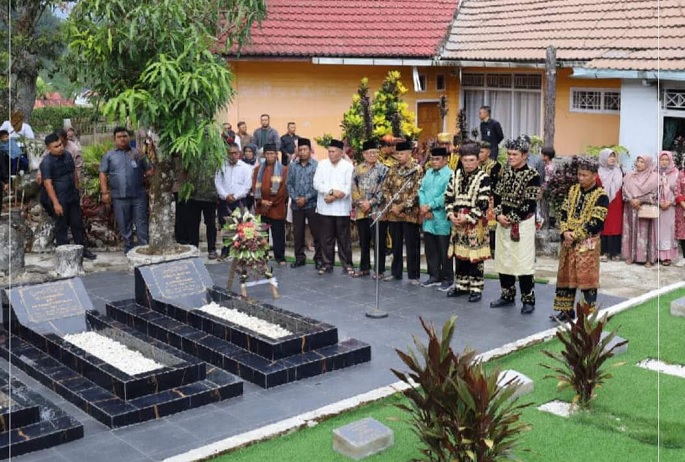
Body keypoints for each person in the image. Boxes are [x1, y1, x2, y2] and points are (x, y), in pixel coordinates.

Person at [550, 157, 609, 322]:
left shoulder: (601, 196)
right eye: (579, 174)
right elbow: (563, 211)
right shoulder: (573, 190)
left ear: (594, 175)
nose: (580, 178)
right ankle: (566, 311)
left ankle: (588, 314)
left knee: (587, 279)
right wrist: (565, 232)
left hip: (587, 243)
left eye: (584, 175)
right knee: (566, 276)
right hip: (568, 240)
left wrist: (574, 235)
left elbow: (596, 222)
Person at [490, 135, 541, 314]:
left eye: (514, 154)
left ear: (525, 155)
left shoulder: (533, 175)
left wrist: (510, 218)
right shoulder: (504, 172)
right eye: (509, 154)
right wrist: (498, 215)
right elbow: (496, 195)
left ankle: (528, 299)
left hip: (523, 225)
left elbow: (530, 203)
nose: (510, 157)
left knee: (523, 262)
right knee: (504, 259)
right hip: (503, 222)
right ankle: (507, 295)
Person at [444, 144, 491, 302]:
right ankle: (461, 285)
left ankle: (476, 288)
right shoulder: (455, 175)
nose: (469, 163)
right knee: (460, 255)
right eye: (465, 160)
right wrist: (451, 215)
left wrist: (468, 217)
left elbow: (483, 203)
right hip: (457, 221)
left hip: (474, 223)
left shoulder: (483, 178)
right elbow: (448, 197)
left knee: (475, 257)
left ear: (478, 160)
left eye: (472, 160)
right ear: (461, 160)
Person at [41, 133, 96, 260]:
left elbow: (73, 172)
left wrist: (77, 189)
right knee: (61, 227)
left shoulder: (67, 155)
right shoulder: (47, 163)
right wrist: (55, 203)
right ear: (49, 149)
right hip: (59, 199)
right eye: (56, 147)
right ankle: (64, 256)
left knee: (77, 224)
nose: (60, 147)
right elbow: (48, 184)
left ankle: (82, 251)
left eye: (60, 144)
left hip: (72, 196)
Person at [99, 127, 152, 253]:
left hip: (138, 195)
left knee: (141, 223)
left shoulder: (138, 153)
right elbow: (102, 173)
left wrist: (148, 157)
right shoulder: (109, 155)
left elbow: (150, 171)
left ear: (129, 138)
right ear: (114, 139)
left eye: (125, 136)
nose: (123, 139)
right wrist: (105, 192)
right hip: (119, 196)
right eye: (119, 137)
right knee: (124, 224)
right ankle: (128, 249)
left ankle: (143, 249)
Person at [381, 141, 423, 284]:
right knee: (396, 245)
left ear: (410, 153)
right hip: (393, 214)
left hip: (409, 214)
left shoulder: (417, 169)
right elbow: (385, 188)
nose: (399, 156)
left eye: (402, 153)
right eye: (397, 154)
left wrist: (402, 207)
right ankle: (396, 272)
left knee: (412, 245)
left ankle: (414, 275)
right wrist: (393, 206)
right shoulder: (392, 169)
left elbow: (417, 192)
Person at [313, 139, 354, 275]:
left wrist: (334, 196)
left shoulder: (348, 166)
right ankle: (327, 264)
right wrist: (331, 192)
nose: (330, 154)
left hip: (341, 209)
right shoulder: (322, 164)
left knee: (343, 239)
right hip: (325, 208)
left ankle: (347, 264)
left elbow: (348, 188)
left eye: (333, 151)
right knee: (326, 238)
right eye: (329, 151)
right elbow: (317, 183)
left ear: (341, 153)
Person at [351, 140, 388, 278]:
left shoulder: (383, 169)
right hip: (361, 211)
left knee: (378, 242)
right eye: (369, 152)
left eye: (375, 152)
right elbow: (353, 188)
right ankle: (364, 268)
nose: (372, 155)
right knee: (364, 241)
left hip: (377, 211)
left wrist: (370, 203)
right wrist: (361, 202)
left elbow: (384, 190)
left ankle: (380, 270)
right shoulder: (357, 169)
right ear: (364, 154)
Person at [419, 147, 454, 289]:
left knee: (444, 249)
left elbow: (447, 195)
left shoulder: (450, 174)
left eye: (437, 159)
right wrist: (423, 207)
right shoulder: (428, 173)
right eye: (432, 159)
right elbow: (421, 190)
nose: (434, 162)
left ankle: (447, 278)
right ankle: (434, 276)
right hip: (428, 218)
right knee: (430, 249)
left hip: (442, 217)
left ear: (445, 160)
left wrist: (430, 206)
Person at [286, 138, 322, 269]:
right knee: (298, 234)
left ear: (310, 150)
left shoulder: (316, 166)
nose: (302, 152)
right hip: (297, 206)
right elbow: (289, 184)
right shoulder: (292, 166)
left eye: (305, 149)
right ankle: (300, 258)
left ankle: (318, 259)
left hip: (312, 205)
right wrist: (296, 198)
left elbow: (318, 186)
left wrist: (305, 199)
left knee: (316, 233)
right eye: (300, 150)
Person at [215, 142, 253, 259]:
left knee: (241, 226)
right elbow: (217, 182)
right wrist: (225, 195)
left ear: (239, 154)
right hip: (224, 201)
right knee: (225, 226)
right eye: (230, 153)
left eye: (235, 153)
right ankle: (226, 249)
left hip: (239, 201)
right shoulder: (221, 166)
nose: (232, 156)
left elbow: (247, 185)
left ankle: (241, 249)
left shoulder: (246, 168)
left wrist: (235, 196)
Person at [253, 144, 288, 265]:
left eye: (272, 153)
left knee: (278, 234)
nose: (270, 156)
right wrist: (261, 201)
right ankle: (263, 256)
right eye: (267, 154)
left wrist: (271, 203)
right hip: (261, 207)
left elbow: (283, 190)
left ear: (276, 155)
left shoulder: (283, 169)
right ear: (264, 155)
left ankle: (280, 257)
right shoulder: (258, 170)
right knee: (262, 234)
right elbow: (254, 187)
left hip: (276, 207)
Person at [621, 155, 658, 267]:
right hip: (631, 208)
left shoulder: (655, 177)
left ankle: (649, 259)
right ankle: (632, 256)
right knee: (632, 231)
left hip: (644, 208)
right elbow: (624, 190)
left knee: (646, 232)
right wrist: (631, 200)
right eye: (638, 161)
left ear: (648, 163)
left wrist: (640, 200)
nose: (639, 164)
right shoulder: (629, 176)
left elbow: (655, 194)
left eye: (642, 162)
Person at [186, 161, 219, 259]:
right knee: (193, 224)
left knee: (211, 224)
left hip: (210, 196)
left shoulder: (214, 154)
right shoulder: (192, 154)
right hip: (193, 195)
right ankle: (194, 248)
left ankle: (212, 249)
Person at [598, 148, 624, 261]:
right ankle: (604, 252)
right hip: (603, 201)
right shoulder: (598, 172)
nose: (612, 159)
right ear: (604, 158)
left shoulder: (618, 171)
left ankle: (615, 252)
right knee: (604, 226)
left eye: (614, 156)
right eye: (610, 156)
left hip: (617, 202)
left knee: (615, 226)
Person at [478, 141, 501, 258]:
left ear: (488, 152)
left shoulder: (496, 166)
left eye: (482, 152)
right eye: (478, 152)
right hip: (477, 199)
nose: (479, 154)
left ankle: (492, 250)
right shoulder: (475, 164)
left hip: (491, 199)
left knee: (491, 227)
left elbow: (498, 186)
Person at [657, 151, 680, 265]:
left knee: (668, 231)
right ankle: (656, 255)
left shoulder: (676, 173)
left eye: (667, 159)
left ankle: (667, 257)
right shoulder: (654, 173)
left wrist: (670, 202)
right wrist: (658, 202)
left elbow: (679, 191)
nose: (664, 162)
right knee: (657, 230)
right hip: (657, 207)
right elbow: (651, 190)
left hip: (670, 207)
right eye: (662, 159)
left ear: (670, 161)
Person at [539, 146, 557, 228]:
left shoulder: (549, 167)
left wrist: (541, 191)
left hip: (547, 191)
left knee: (544, 208)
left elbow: (547, 181)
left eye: (542, 155)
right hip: (547, 190)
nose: (541, 156)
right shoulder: (548, 165)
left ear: (546, 156)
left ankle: (544, 224)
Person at [675, 164, 685, 267]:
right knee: (683, 234)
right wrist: (683, 204)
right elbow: (677, 191)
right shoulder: (680, 174)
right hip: (682, 207)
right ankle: (684, 257)